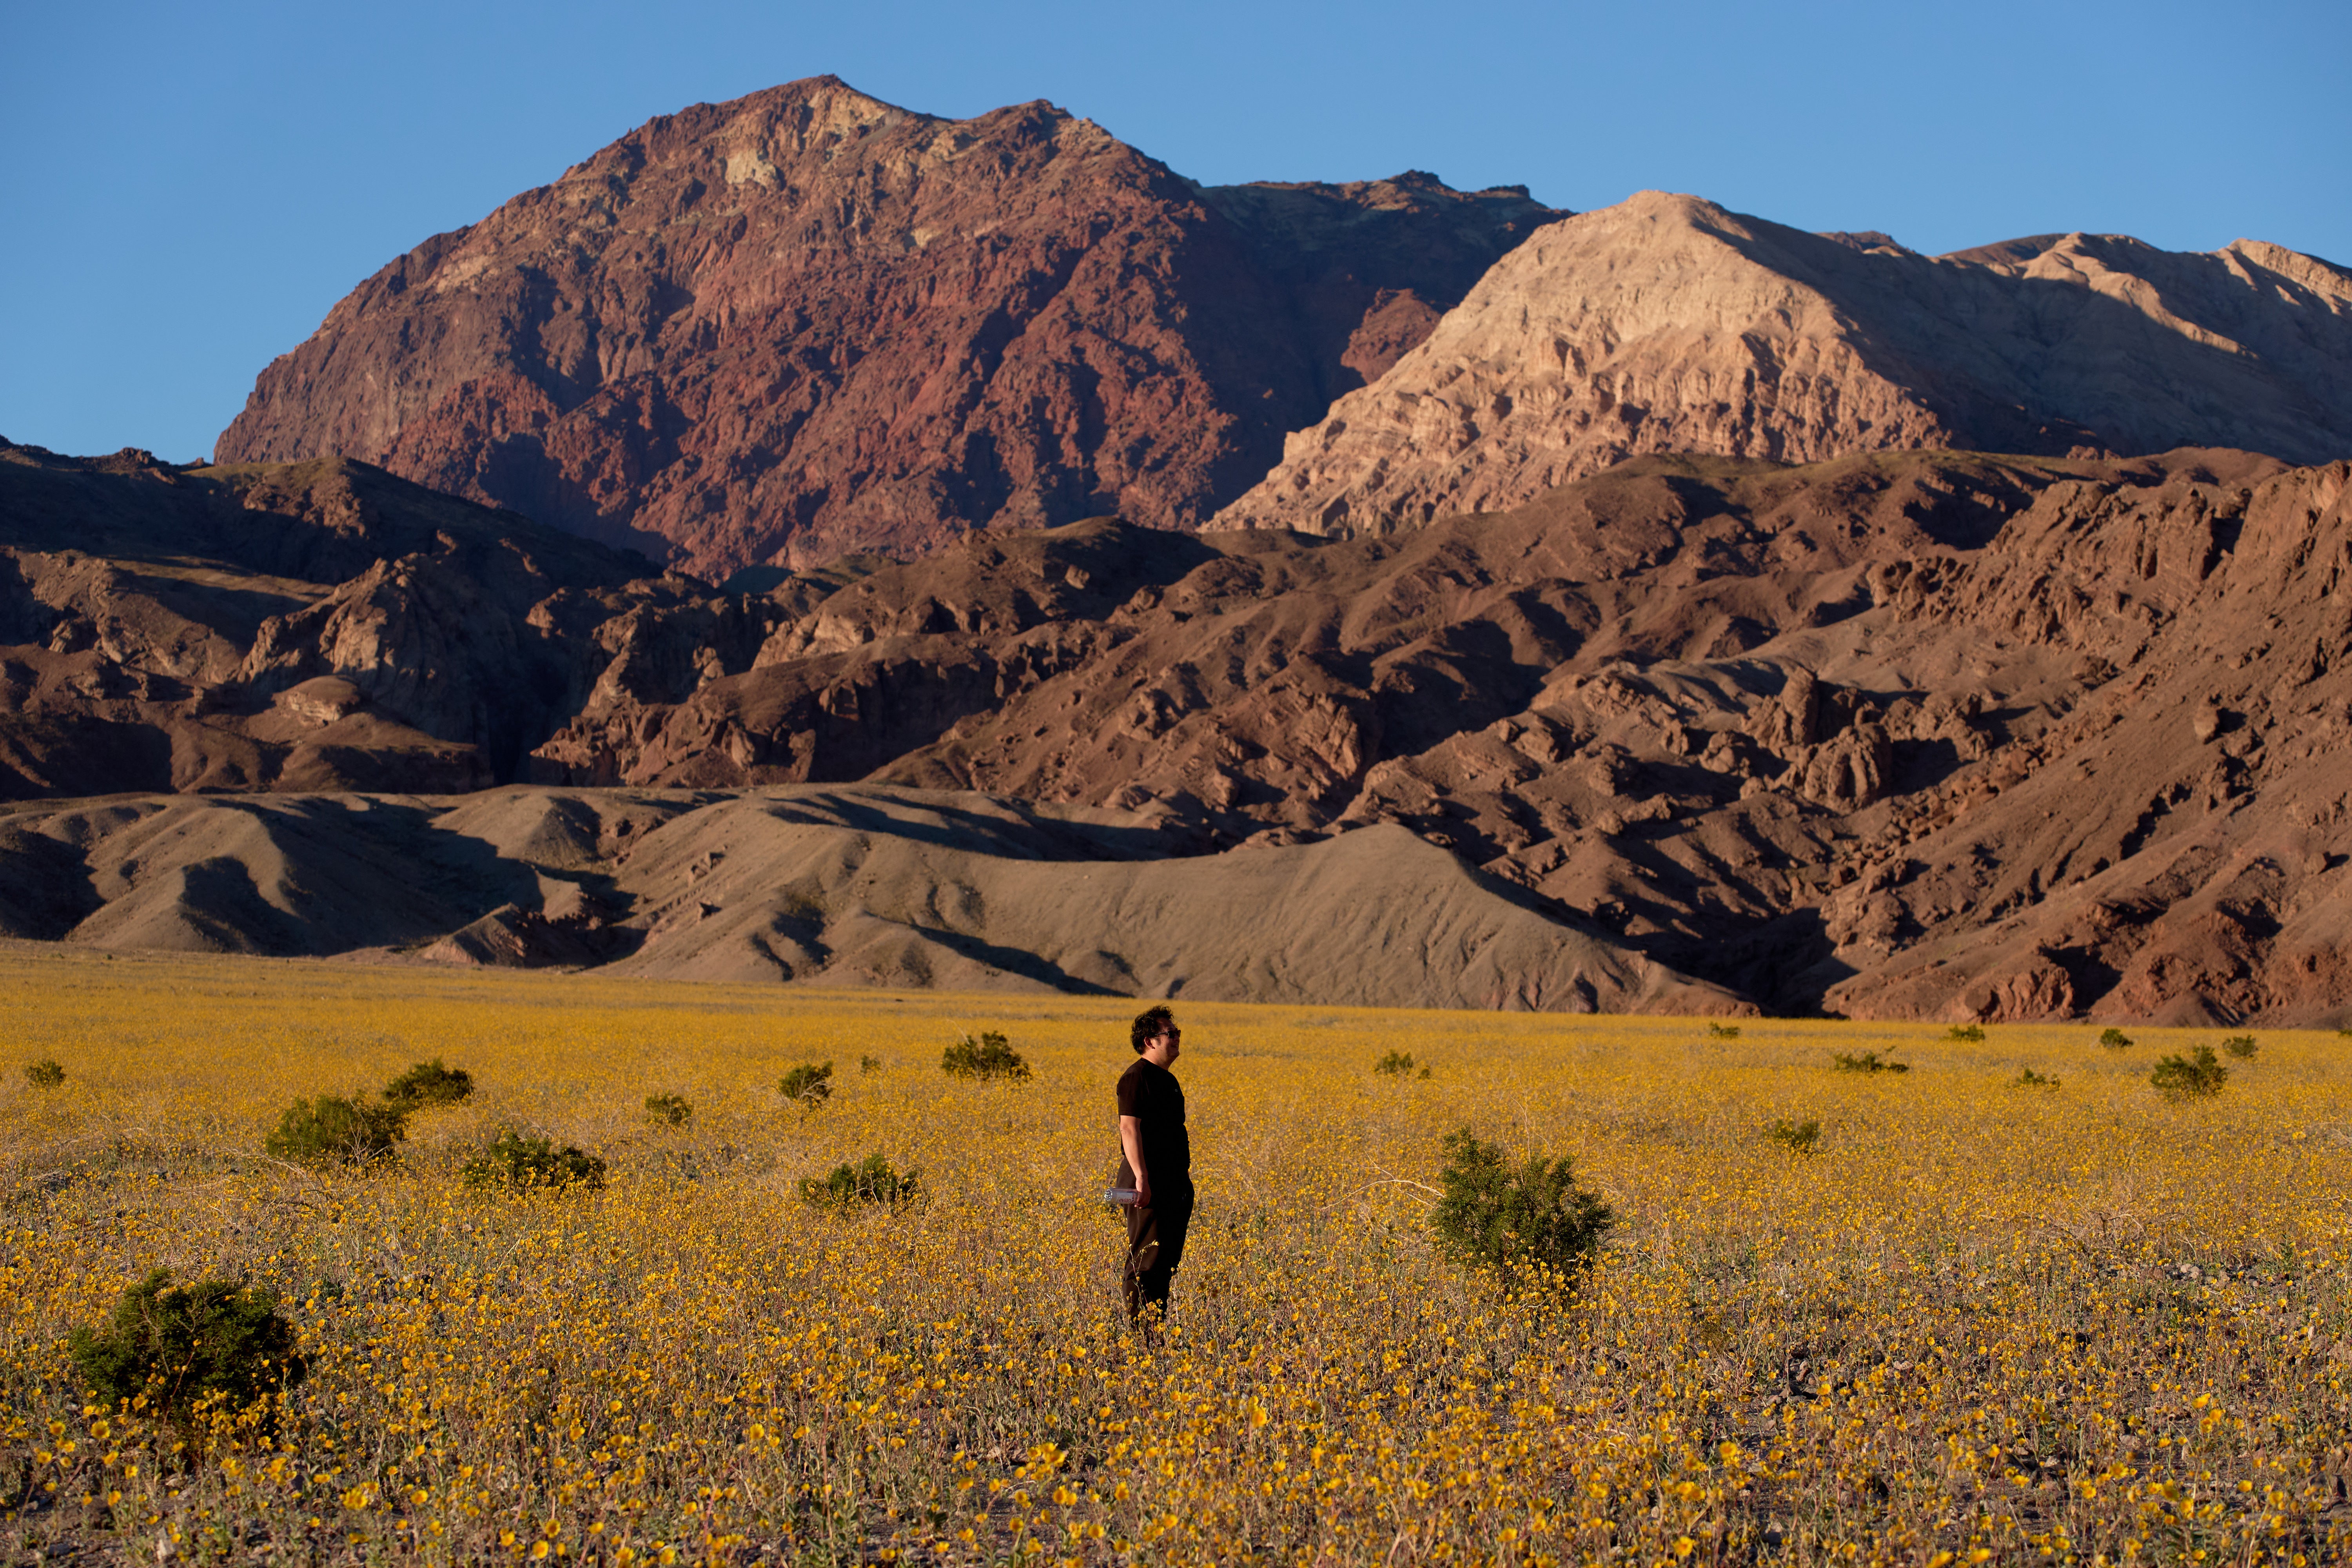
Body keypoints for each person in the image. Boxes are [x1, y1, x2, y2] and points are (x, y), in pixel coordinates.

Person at [1115, 1004, 1191, 1325]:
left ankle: (1154, 1328)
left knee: (1166, 1259)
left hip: (1170, 1182)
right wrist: (1141, 1181)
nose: (1176, 1039)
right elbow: (1128, 1128)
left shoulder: (1166, 1080)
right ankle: (1141, 1334)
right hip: (1143, 1182)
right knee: (1147, 1259)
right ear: (1150, 1041)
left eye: (1177, 1033)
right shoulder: (1136, 1078)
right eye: (1169, 1034)